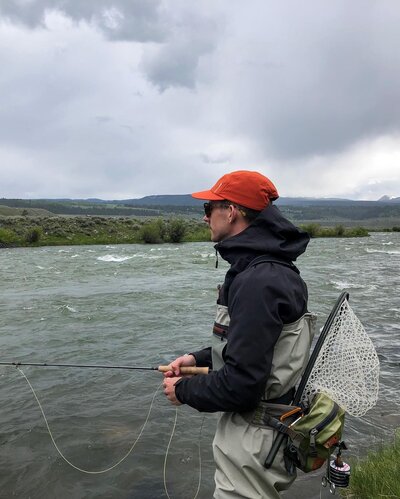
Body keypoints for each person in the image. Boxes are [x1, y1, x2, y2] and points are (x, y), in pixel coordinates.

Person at [163, 170, 316, 498]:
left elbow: (241, 386)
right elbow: (258, 344)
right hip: (270, 430)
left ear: (231, 211)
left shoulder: (258, 281)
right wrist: (196, 359)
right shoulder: (271, 269)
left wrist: (183, 390)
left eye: (209, 208)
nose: (205, 218)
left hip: (255, 439)